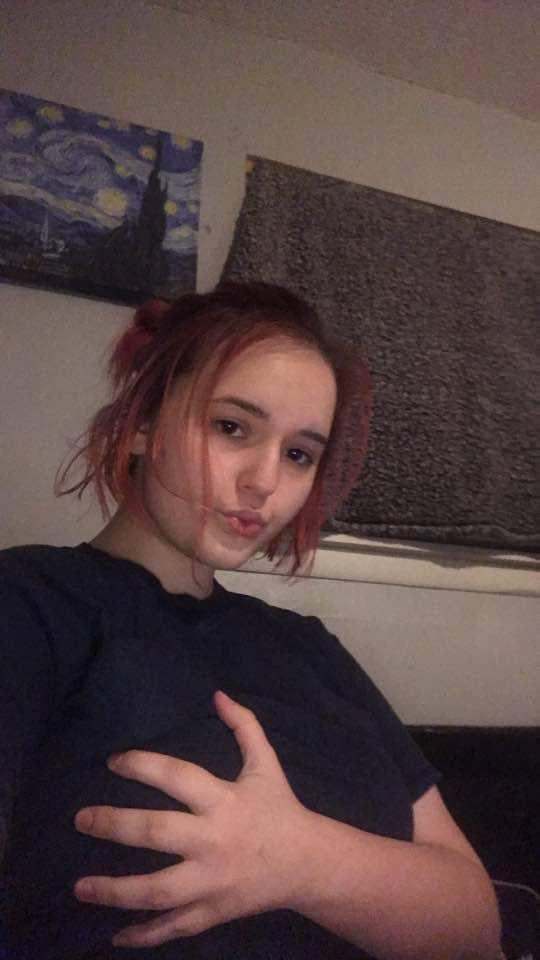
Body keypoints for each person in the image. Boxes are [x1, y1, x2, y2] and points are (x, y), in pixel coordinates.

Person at [0, 282, 501, 960]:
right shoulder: (29, 602)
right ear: (143, 422)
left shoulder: (309, 649)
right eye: (232, 427)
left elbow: (475, 925)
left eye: (299, 454)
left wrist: (299, 860)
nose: (266, 482)